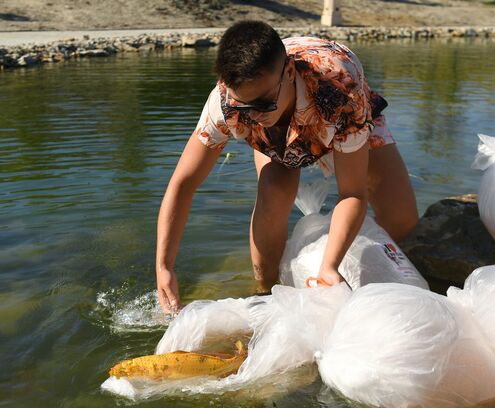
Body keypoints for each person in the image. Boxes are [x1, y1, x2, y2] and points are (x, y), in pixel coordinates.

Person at [156, 20, 418, 313]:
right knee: (274, 190)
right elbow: (183, 185)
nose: (254, 116)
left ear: (289, 72)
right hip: (279, 134)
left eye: (263, 103)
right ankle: (266, 292)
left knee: (402, 217)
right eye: (244, 107)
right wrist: (164, 266)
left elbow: (352, 193)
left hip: (333, 115)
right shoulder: (225, 104)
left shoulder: (341, 85)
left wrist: (328, 266)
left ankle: (355, 256)